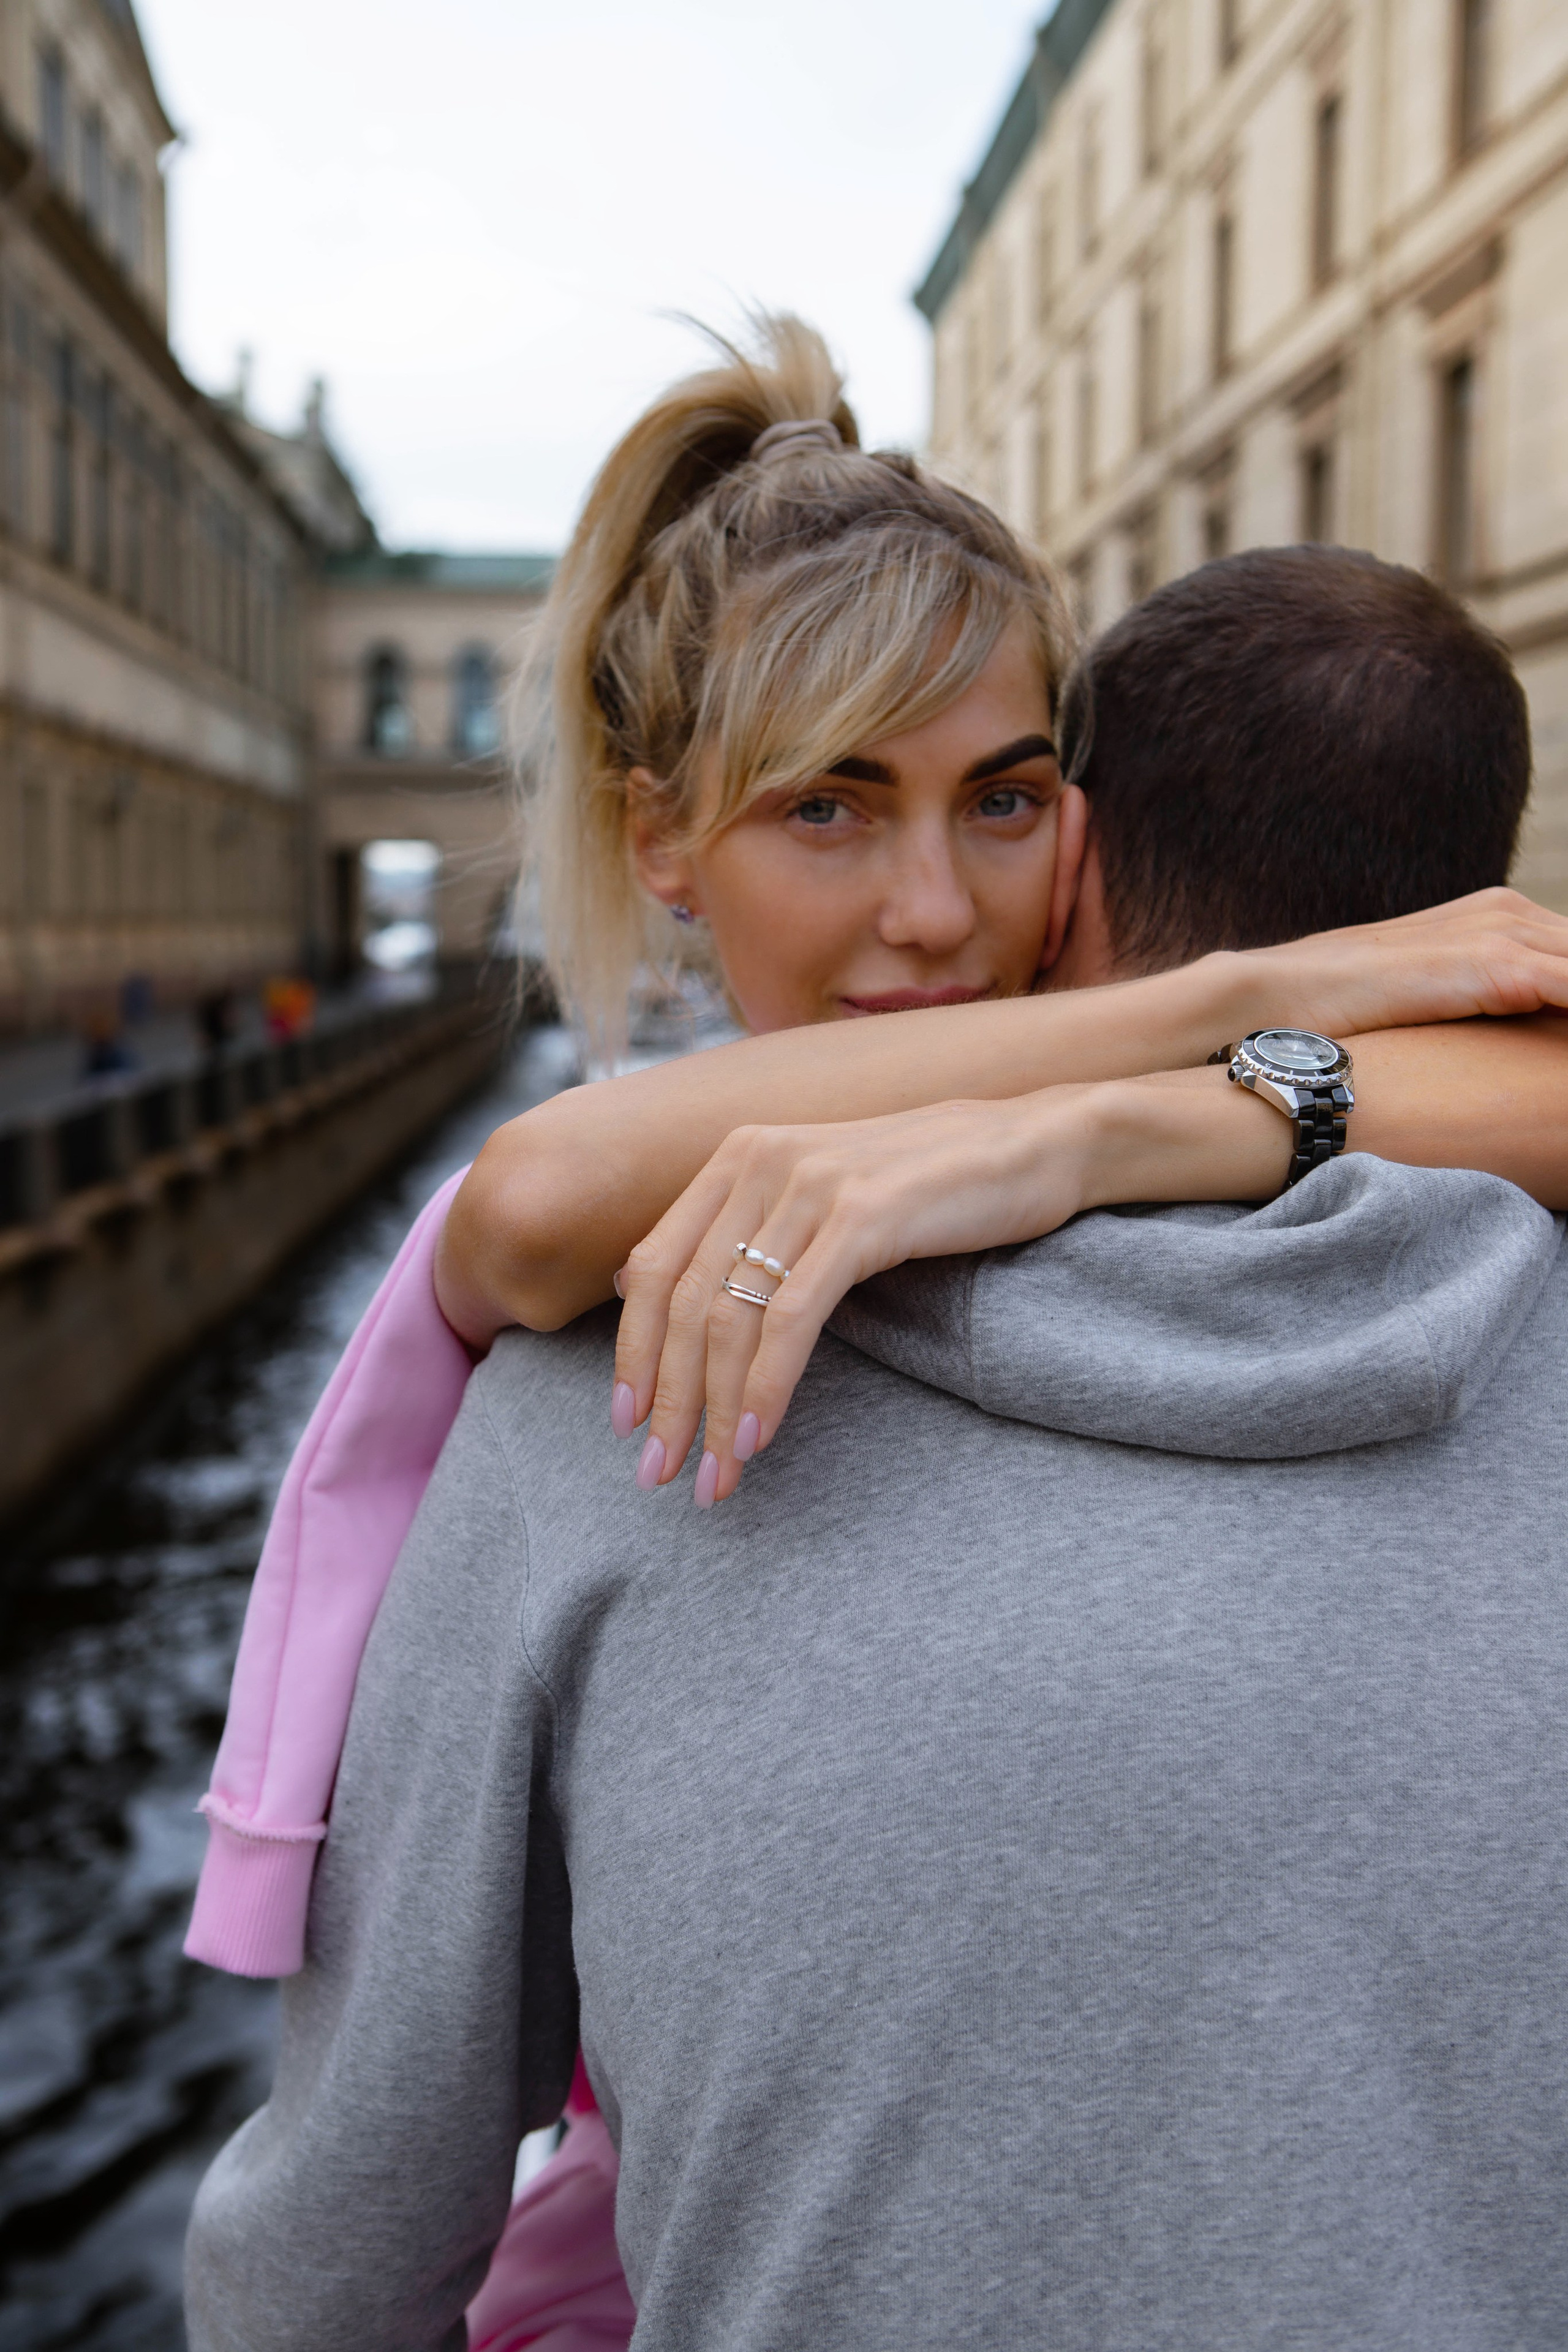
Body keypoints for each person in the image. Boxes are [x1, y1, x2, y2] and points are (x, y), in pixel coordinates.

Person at [181, 321, 1568, 2337]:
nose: (930, 913)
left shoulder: (610, 1402)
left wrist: (1096, 1111)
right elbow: (537, 1192)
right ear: (661, 842)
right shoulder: (1511, 1265)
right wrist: (1202, 1032)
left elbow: (329, 2261)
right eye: (826, 809)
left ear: (1079, 836)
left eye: (999, 803)